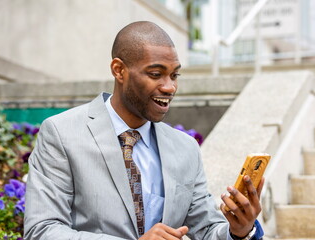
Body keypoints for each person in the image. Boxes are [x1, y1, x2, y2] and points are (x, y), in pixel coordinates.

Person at [24, 21, 264, 240]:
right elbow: (42, 230)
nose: (170, 87)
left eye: (174, 75)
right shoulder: (61, 133)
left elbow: (207, 230)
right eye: (156, 74)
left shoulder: (186, 147)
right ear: (119, 70)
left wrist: (239, 231)